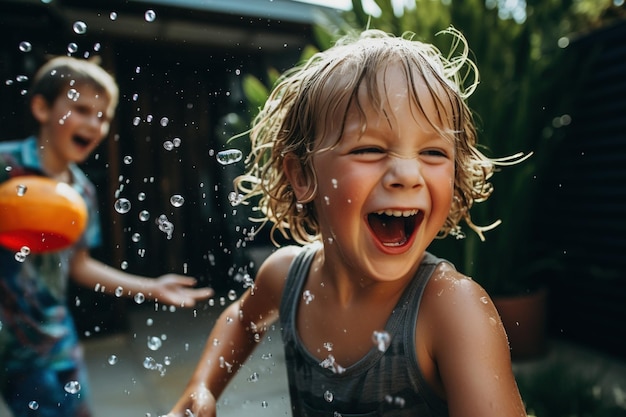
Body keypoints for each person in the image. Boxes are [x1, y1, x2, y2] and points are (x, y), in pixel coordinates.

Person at [166, 28, 527, 417]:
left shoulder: (451, 310)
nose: (407, 174)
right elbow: (242, 319)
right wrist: (201, 387)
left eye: (434, 152)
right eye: (369, 148)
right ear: (302, 174)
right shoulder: (287, 278)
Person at [0, 56, 214, 417]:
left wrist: (150, 287)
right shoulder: (5, 166)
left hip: (47, 343)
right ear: (41, 107)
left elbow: (79, 265)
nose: (94, 124)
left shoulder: (81, 192)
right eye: (82, 110)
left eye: (102, 116)